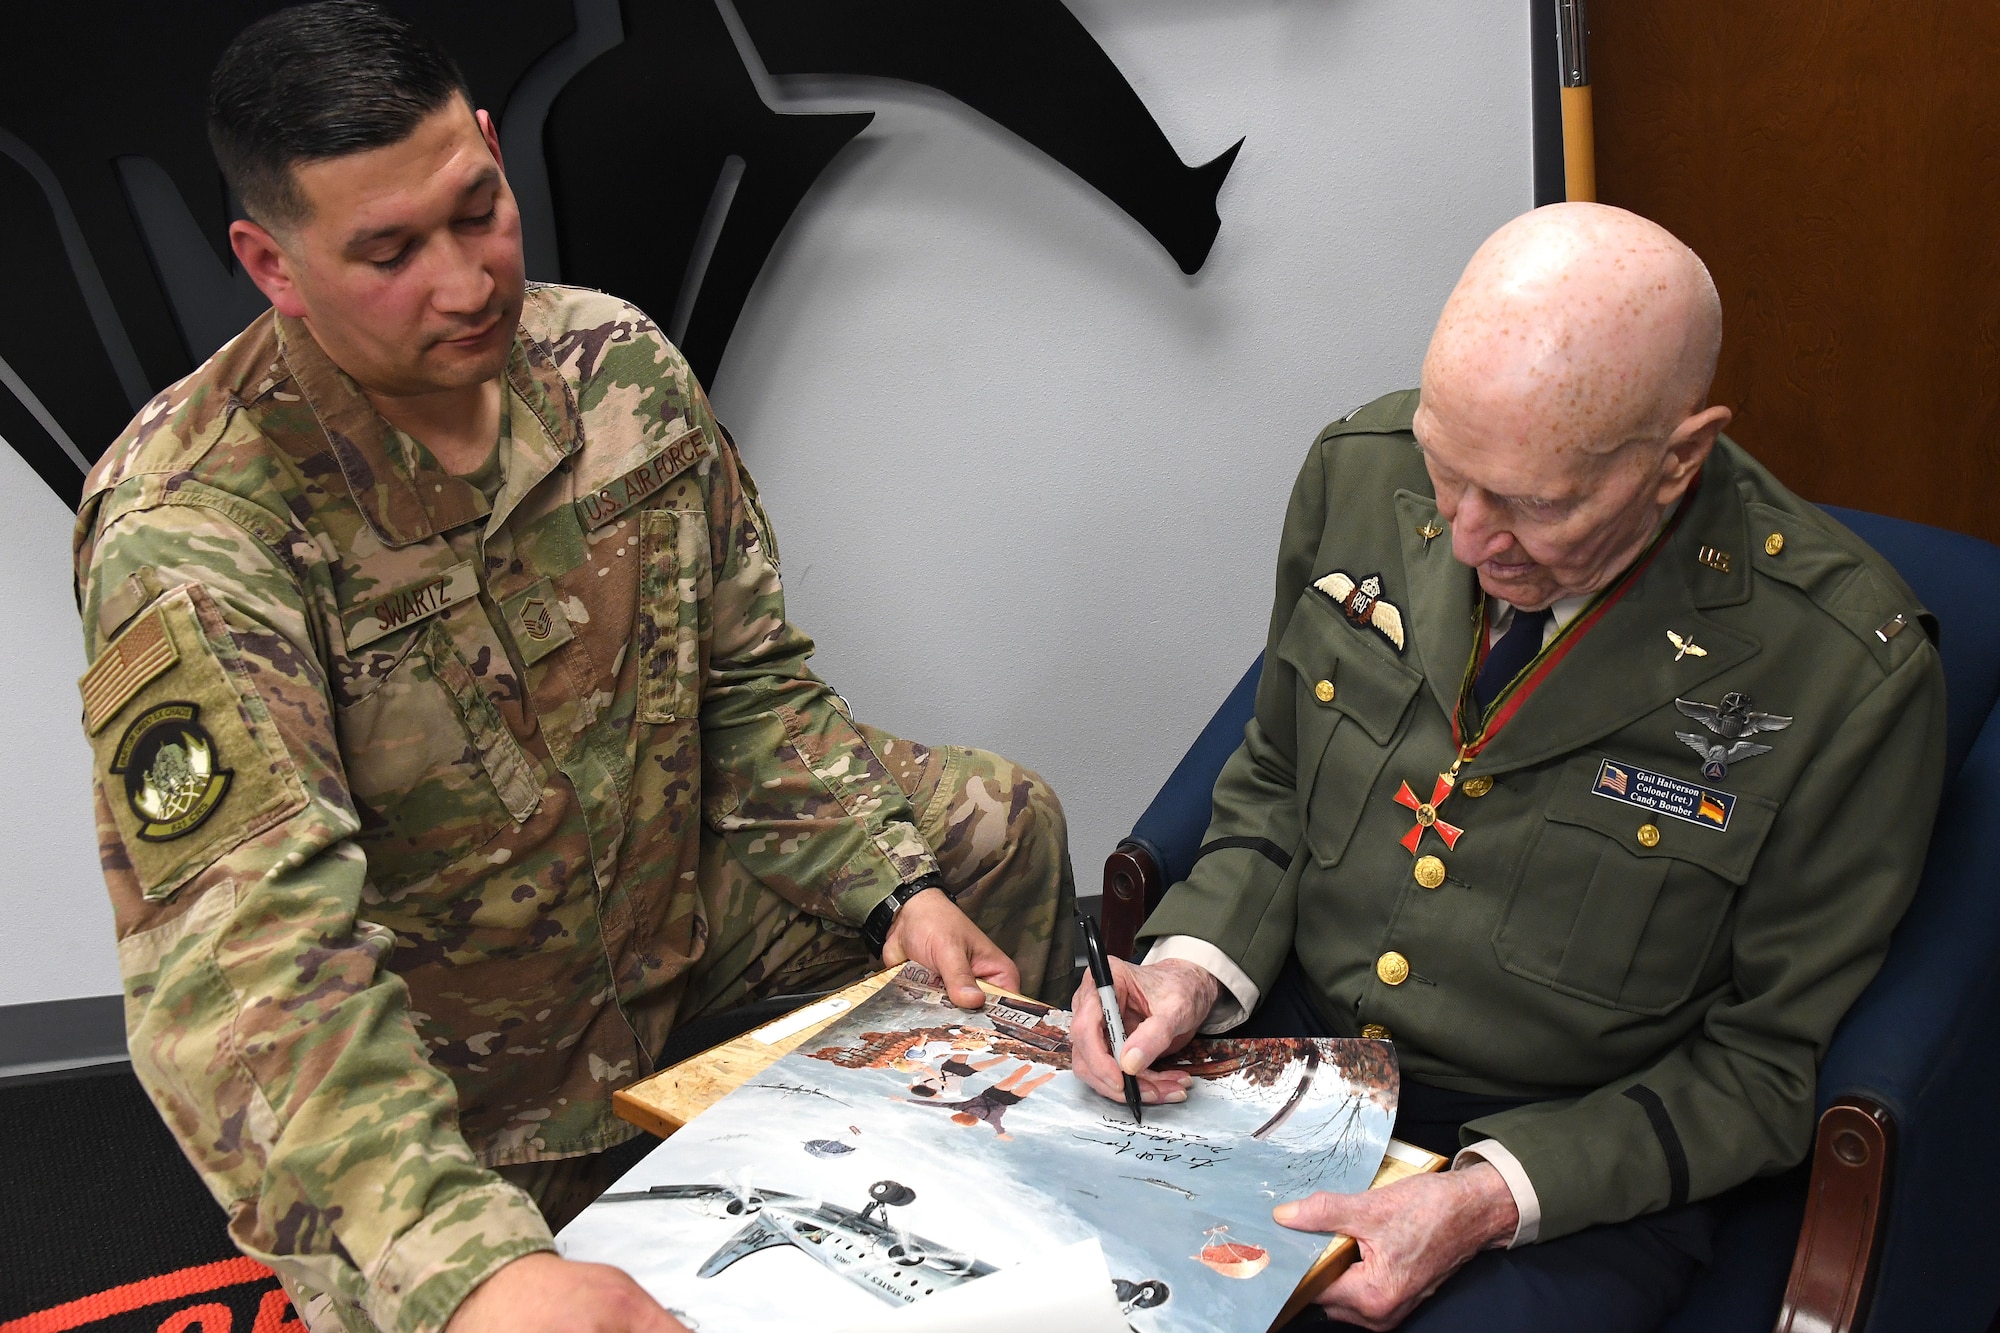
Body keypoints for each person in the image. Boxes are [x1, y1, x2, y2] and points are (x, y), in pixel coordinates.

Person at [72, 5, 1073, 1331]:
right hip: (454, 1088)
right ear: (272, 261)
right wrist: (475, 1273)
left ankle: (976, 1227)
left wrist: (894, 886)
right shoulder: (195, 530)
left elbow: (749, 692)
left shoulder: (617, 372)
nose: (466, 281)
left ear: (489, 149)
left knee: (993, 826)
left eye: (475, 210)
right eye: (387, 252)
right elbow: (251, 966)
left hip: (662, 950)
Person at [1071, 203, 1945, 1331]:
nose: (1471, 538)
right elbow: (1277, 778)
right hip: (1289, 1044)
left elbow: (1760, 1063)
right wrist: (1188, 971)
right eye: (1447, 469)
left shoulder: (1840, 672)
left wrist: (1483, 1199)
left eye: (1536, 505)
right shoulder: (1357, 475)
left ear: (1676, 457)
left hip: (1566, 1154)